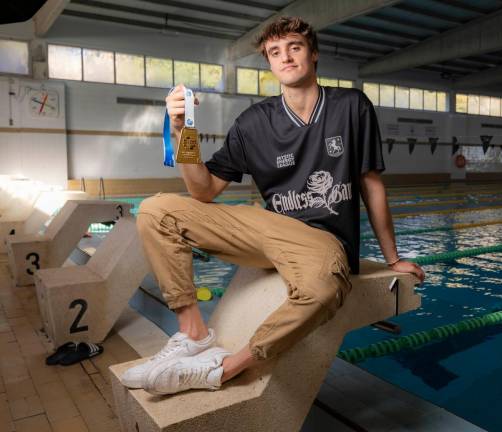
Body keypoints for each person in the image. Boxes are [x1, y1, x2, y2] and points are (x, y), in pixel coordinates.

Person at [120, 16, 425, 395]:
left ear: (312, 54)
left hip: (323, 240)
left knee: (322, 288)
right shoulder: (253, 123)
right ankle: (193, 333)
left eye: (295, 47)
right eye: (275, 52)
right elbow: (203, 191)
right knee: (155, 210)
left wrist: (393, 260)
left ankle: (223, 370)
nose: (286, 57)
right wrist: (182, 129)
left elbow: (371, 184)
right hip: (270, 232)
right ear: (269, 62)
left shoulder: (350, 106)